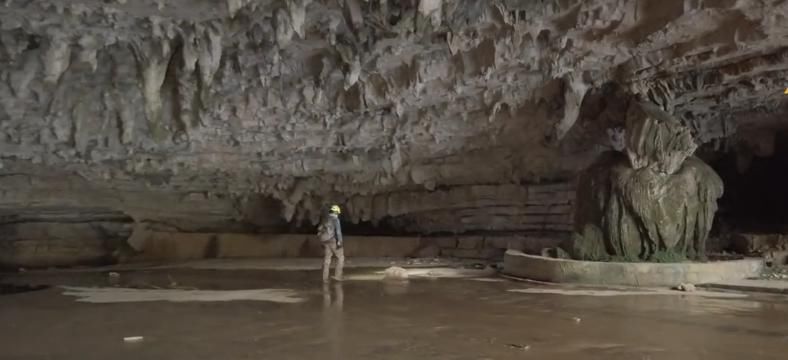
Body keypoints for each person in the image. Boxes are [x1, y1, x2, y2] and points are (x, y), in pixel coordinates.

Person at [318, 204, 344, 282]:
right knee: (340, 257)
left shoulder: (325, 219)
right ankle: (338, 276)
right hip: (333, 241)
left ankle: (325, 278)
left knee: (327, 259)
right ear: (336, 212)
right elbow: (338, 232)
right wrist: (340, 241)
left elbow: (320, 229)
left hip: (325, 241)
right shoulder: (336, 220)